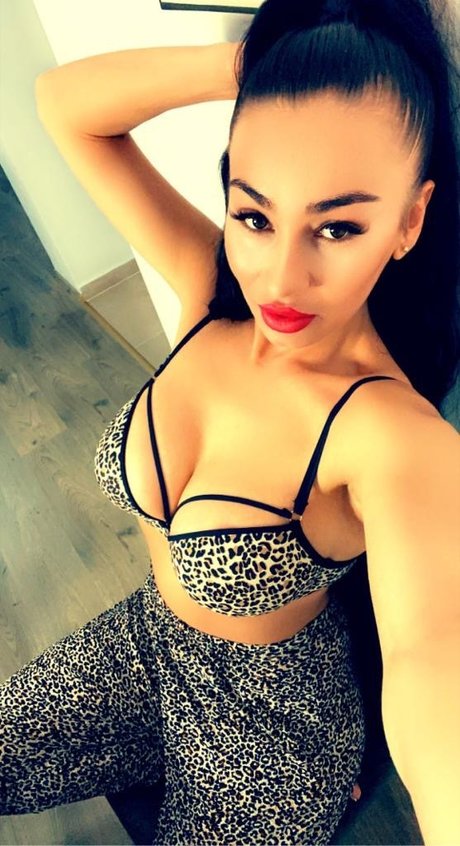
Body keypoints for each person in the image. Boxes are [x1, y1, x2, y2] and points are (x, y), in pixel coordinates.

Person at [2, 0, 459, 843]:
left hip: (272, 735)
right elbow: (63, 104)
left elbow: (432, 665)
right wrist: (259, 65)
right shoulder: (211, 290)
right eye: (254, 215)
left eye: (338, 227)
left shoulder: (392, 434)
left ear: (409, 221)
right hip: (147, 647)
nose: (279, 278)